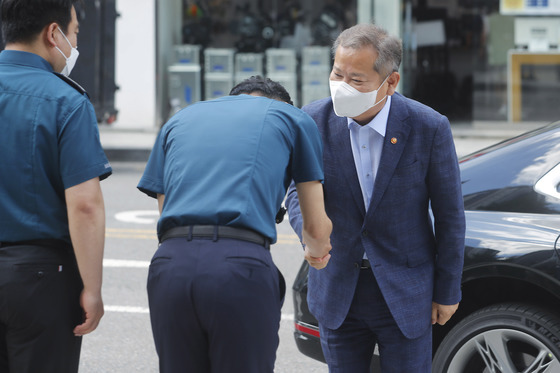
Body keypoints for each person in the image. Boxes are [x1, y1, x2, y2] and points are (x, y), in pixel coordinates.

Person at [286, 23, 466, 372]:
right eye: (338, 74)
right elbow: (297, 189)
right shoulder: (311, 121)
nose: (342, 87)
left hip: (405, 291)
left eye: (357, 80)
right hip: (338, 287)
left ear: (391, 82)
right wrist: (309, 233)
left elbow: (450, 216)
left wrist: (448, 290)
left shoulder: (428, 127)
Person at [137, 76, 332, 373]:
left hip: (170, 266)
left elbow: (165, 206)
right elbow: (315, 227)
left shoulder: (181, 119)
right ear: (279, 103)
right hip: (239, 267)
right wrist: (316, 253)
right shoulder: (291, 118)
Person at [0, 1, 112, 372]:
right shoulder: (65, 100)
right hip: (39, 278)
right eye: (75, 32)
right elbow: (85, 206)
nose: (75, 42)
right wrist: (92, 290)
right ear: (53, 33)